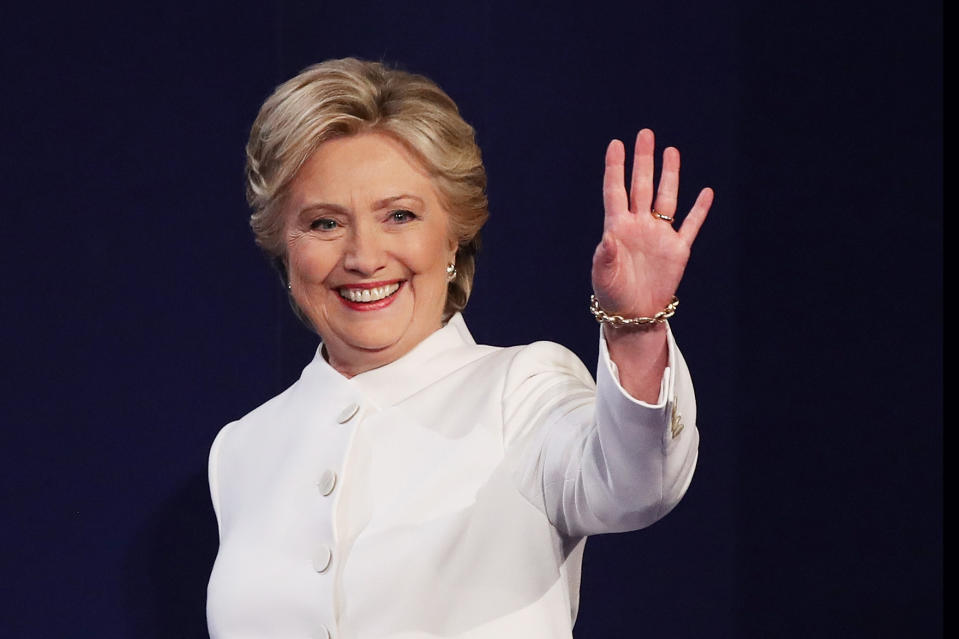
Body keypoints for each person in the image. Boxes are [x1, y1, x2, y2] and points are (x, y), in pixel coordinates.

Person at [207, 57, 713, 639]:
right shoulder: (242, 449)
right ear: (285, 247)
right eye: (324, 223)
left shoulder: (522, 388)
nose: (364, 256)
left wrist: (635, 327)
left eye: (399, 215)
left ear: (453, 236)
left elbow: (638, 483)